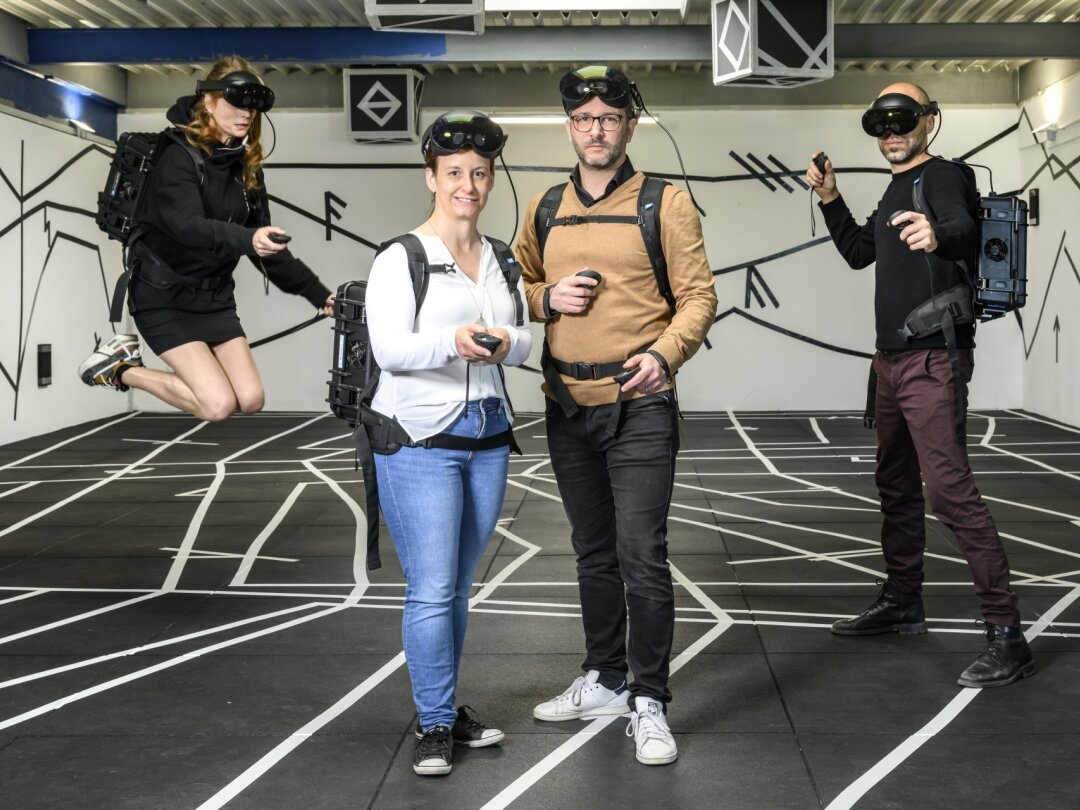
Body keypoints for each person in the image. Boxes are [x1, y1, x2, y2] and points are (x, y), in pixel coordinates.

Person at [515, 66, 717, 766]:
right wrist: (546, 301)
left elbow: (697, 296)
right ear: (569, 126)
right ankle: (603, 677)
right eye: (582, 119)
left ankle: (650, 699)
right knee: (592, 553)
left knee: (641, 556)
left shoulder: (666, 202)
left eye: (608, 118)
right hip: (566, 405)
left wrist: (665, 354)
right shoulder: (543, 205)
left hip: (641, 405)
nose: (595, 130)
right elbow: (518, 283)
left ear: (629, 124)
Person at [807, 82, 1034, 688]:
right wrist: (831, 199)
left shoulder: (942, 176)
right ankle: (905, 599)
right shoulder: (892, 186)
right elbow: (860, 253)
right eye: (879, 122)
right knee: (895, 483)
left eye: (902, 119)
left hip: (933, 358)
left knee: (950, 492)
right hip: (890, 361)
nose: (890, 131)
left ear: (929, 121)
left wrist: (939, 234)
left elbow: (962, 224)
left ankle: (1007, 634)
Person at [365, 111, 532, 776]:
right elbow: (390, 350)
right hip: (419, 441)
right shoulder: (401, 257)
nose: (469, 184)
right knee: (432, 589)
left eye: (481, 173)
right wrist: (456, 340)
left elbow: (525, 340)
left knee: (458, 588)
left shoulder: (500, 259)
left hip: (489, 437)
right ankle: (433, 723)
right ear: (431, 176)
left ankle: (447, 706)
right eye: (456, 172)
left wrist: (501, 341)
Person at [79, 56, 333, 420]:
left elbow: (266, 248)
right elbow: (187, 226)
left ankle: (127, 368)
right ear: (209, 102)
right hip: (163, 294)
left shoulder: (245, 169)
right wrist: (248, 239)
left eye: (251, 105)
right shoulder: (177, 155)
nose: (245, 113)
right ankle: (121, 369)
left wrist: (320, 296)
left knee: (250, 399)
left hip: (213, 298)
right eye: (235, 101)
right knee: (217, 405)